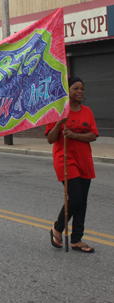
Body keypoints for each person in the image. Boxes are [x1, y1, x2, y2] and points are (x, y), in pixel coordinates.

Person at [46, 77, 98, 253]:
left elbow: (93, 135)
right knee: (75, 198)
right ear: (67, 91)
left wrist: (74, 135)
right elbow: (50, 139)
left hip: (84, 160)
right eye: (76, 88)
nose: (80, 91)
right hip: (65, 160)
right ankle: (57, 228)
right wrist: (60, 122)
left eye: (82, 89)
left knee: (82, 201)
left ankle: (76, 239)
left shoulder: (87, 111)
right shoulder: (58, 112)